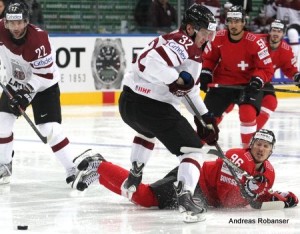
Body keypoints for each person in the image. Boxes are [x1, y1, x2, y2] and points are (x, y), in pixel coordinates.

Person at [111, 3, 219, 222]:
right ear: (190, 28)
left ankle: (134, 176)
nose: (208, 37)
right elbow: (150, 62)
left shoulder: (184, 45)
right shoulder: (183, 42)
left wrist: (205, 118)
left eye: (210, 33)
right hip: (152, 107)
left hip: (129, 104)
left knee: (146, 133)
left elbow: (190, 92)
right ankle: (186, 198)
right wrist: (175, 79)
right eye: (205, 32)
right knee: (193, 151)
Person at [71, 129, 298, 218]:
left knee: (141, 197)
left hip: (201, 195)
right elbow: (225, 199)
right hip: (193, 181)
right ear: (251, 145)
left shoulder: (268, 172)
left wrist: (275, 198)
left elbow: (254, 197)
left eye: (265, 146)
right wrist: (248, 193)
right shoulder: (237, 157)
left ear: (271, 150)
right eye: (258, 144)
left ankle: (101, 176)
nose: (260, 149)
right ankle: (99, 163)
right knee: (144, 197)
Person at [0, 0, 77, 186]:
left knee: (49, 129)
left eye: (19, 22)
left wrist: (25, 94)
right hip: (16, 82)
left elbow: (44, 74)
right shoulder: (1, 29)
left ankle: (73, 169)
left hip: (44, 85)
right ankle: (4, 166)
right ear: (6, 22)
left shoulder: (39, 40)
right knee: (2, 122)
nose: (15, 27)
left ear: (26, 21)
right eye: (11, 23)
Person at [199, 5, 274, 148]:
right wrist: (206, 73)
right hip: (223, 83)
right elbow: (208, 58)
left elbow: (266, 68)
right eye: (230, 21)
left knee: (247, 113)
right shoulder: (218, 37)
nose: (233, 25)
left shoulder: (255, 42)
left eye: (237, 21)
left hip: (247, 85)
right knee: (208, 116)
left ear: (243, 22)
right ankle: (197, 144)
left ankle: (248, 149)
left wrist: (257, 80)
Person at [223, 19, 300, 130]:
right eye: (273, 30)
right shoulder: (257, 40)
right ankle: (205, 133)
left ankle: (253, 133)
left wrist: (297, 76)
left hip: (262, 81)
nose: (275, 34)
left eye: (279, 31)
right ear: (269, 31)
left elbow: (290, 68)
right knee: (226, 105)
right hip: (241, 78)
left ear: (283, 34)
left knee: (270, 102)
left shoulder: (286, 50)